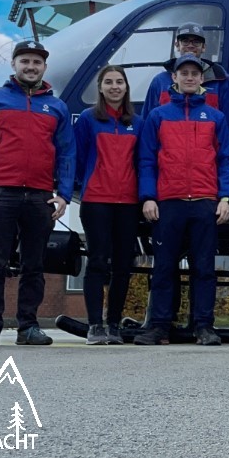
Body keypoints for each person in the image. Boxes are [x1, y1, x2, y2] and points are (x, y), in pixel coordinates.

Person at [0, 40, 74, 347]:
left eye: (37, 62)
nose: (31, 66)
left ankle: (29, 326)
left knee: (34, 265)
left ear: (44, 68)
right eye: (25, 61)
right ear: (14, 65)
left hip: (40, 196)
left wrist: (63, 193)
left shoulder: (57, 107)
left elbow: (67, 153)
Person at [134, 54, 229, 346]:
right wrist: (148, 197)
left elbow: (225, 160)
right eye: (184, 73)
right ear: (174, 79)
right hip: (168, 202)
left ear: (202, 79)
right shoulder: (158, 116)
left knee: (203, 268)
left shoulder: (216, 117)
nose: (189, 77)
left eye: (194, 73)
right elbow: (146, 160)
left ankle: (203, 326)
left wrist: (225, 198)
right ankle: (159, 326)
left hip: (205, 202)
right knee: (164, 267)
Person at [73, 65, 143, 345]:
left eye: (120, 82)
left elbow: (142, 161)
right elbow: (76, 159)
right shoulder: (89, 119)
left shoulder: (137, 122)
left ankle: (113, 324)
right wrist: (90, 183)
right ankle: (94, 325)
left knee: (124, 265)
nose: (115, 86)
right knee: (98, 261)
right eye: (109, 82)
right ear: (100, 88)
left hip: (128, 203)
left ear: (126, 87)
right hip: (96, 202)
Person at [142, 22, 229, 129]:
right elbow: (147, 122)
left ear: (204, 47)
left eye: (196, 42)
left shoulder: (219, 80)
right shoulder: (160, 81)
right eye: (185, 41)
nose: (190, 46)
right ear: (177, 45)